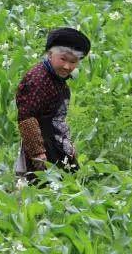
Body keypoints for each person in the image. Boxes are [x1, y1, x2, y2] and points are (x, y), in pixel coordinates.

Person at [14, 27, 91, 184]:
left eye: (73, 62)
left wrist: (68, 145)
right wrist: (37, 153)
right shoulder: (38, 79)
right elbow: (27, 117)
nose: (67, 67)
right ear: (50, 54)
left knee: (68, 186)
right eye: (63, 59)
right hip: (42, 146)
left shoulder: (56, 78)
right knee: (43, 188)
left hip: (56, 143)